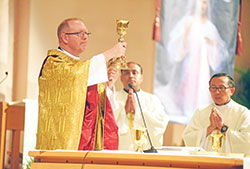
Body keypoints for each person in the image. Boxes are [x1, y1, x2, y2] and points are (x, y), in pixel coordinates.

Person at [36, 18, 126, 151]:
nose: (85, 38)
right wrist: (110, 54)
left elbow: (91, 98)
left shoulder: (79, 68)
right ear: (65, 37)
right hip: (61, 144)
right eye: (80, 34)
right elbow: (75, 75)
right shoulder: (53, 64)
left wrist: (108, 86)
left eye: (87, 34)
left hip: (84, 145)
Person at [183, 73, 250, 154]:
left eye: (221, 88)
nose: (217, 92)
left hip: (231, 164)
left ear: (231, 91)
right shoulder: (201, 112)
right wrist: (210, 128)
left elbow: (247, 140)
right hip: (205, 162)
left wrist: (223, 128)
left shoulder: (243, 113)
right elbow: (187, 137)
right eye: (213, 88)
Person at [114, 61, 169, 151]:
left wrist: (138, 111)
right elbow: (105, 125)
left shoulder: (152, 100)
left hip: (145, 151)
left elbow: (160, 123)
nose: (131, 76)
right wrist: (124, 112)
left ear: (141, 78)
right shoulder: (113, 98)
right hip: (119, 151)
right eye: (127, 73)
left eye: (134, 72)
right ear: (121, 78)